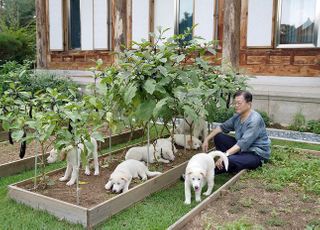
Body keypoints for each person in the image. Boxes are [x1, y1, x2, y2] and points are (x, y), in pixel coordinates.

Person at [202, 90, 271, 174]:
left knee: (229, 160)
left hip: (256, 154)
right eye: (235, 103)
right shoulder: (238, 116)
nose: (236, 106)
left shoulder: (254, 120)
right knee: (219, 137)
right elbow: (222, 127)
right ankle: (234, 162)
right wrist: (207, 139)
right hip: (242, 150)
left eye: (239, 103)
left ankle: (203, 174)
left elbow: (242, 143)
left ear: (249, 104)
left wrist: (225, 155)